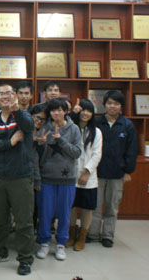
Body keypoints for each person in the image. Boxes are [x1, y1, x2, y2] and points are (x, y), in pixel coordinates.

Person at [0, 83, 36, 276]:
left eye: (8, 93)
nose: (5, 96)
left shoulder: (22, 116)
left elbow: (28, 127)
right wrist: (9, 142)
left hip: (20, 177)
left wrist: (17, 111)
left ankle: (25, 259)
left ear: (15, 96)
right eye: (1, 93)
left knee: (23, 221)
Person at [34, 98, 82, 261]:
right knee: (45, 212)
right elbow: (37, 156)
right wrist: (40, 145)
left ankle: (61, 244)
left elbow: (77, 152)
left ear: (66, 111)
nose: (57, 113)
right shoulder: (44, 128)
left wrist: (60, 140)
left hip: (67, 179)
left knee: (64, 213)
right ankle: (44, 242)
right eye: (54, 110)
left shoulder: (74, 129)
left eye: (60, 110)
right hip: (46, 178)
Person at [88, 90, 137, 248]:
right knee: (95, 205)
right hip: (97, 172)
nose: (112, 106)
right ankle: (92, 233)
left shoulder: (127, 125)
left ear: (121, 106)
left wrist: (128, 171)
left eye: (116, 104)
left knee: (112, 206)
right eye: (109, 103)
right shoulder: (96, 122)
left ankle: (108, 235)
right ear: (104, 104)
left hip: (117, 173)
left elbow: (132, 150)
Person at [68, 99, 102, 251]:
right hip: (71, 174)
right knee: (71, 206)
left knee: (87, 208)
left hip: (89, 177)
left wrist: (87, 173)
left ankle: (82, 237)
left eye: (89, 111)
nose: (85, 113)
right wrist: (72, 112)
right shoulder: (71, 128)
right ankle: (71, 235)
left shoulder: (96, 132)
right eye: (83, 110)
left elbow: (97, 154)